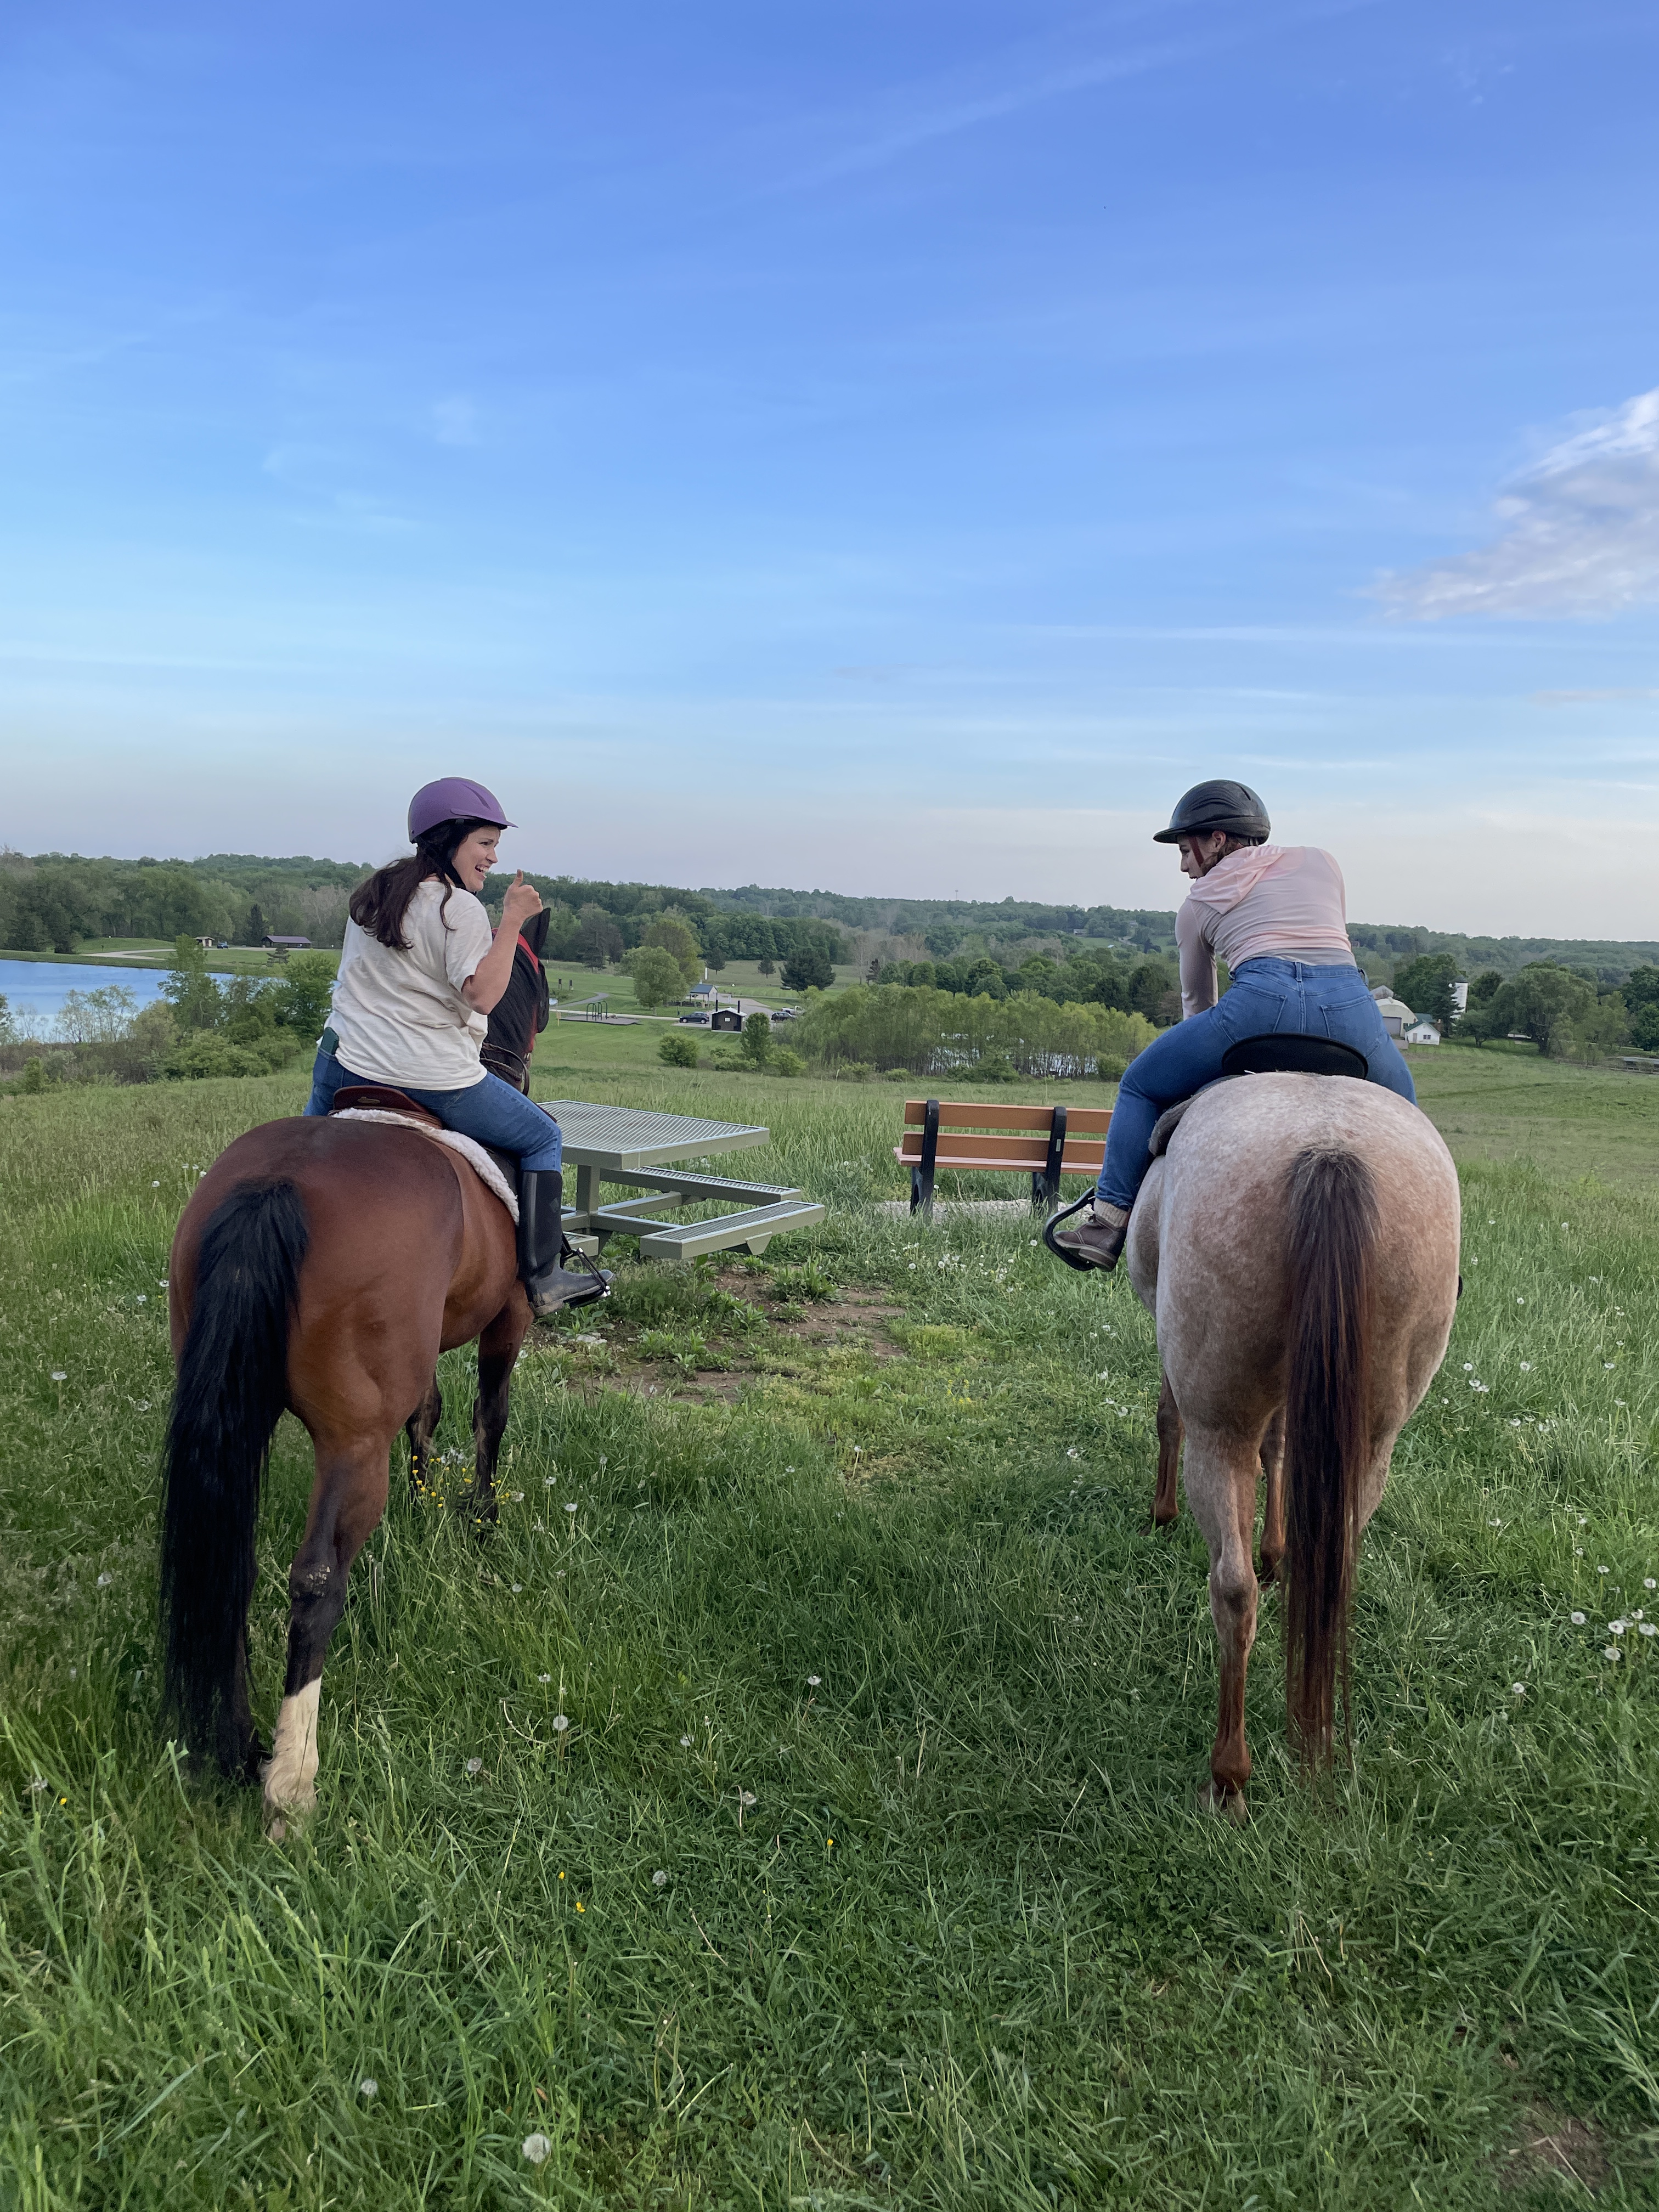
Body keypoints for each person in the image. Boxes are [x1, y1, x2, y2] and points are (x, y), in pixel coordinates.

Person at [1049, 779, 1417, 1271]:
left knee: (1139, 1085)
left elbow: (1198, 1005)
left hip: (1257, 1004)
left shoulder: (1198, 905)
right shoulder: (1323, 862)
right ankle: (1428, 1248)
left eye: (1185, 850)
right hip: (1349, 1007)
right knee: (1408, 1117)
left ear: (1217, 840)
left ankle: (1108, 1222)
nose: (1184, 865)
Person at [304, 777, 603, 1314]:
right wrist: (512, 920)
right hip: (426, 1073)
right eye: (484, 843)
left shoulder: (375, 894)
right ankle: (546, 1278)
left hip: (343, 1061)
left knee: (301, 1153)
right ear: (448, 839)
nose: (492, 857)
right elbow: (484, 997)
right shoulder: (457, 908)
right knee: (542, 1138)